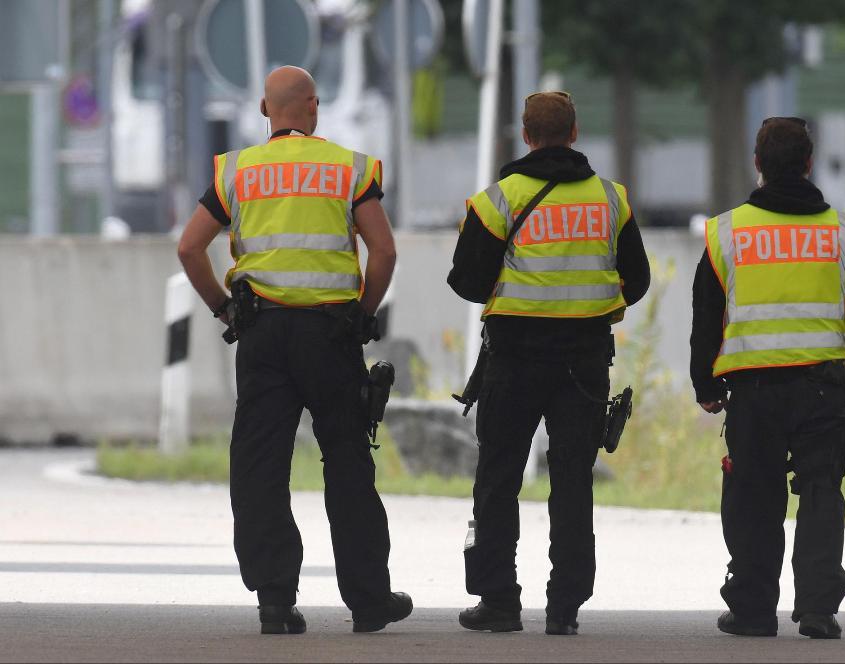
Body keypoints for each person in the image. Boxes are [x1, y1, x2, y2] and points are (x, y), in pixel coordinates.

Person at [176, 66, 411, 635]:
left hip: (262, 336)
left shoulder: (236, 172)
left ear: (264, 109)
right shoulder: (347, 169)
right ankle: (368, 602)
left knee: (259, 466)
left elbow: (189, 248)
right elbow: (382, 251)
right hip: (331, 335)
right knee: (349, 463)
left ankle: (275, 601)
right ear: (315, 107)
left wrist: (224, 310)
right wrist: (362, 313)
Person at [447, 91, 650, 636]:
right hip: (584, 359)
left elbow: (465, 281)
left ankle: (499, 602)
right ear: (574, 132)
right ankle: (565, 607)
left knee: (498, 478)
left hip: (513, 357)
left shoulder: (499, 201)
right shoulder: (611, 200)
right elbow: (639, 279)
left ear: (526, 134)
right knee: (572, 480)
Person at [689, 117, 845, 640]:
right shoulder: (844, 234)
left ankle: (752, 611)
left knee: (752, 495)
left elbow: (706, 313)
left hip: (752, 392)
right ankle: (818, 610)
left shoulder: (727, 233)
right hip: (821, 388)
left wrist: (705, 385)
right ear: (808, 163)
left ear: (758, 165)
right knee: (821, 493)